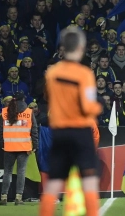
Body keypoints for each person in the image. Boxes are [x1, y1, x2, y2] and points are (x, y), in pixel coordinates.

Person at [40, 27, 102, 216]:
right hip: (80, 131)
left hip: (59, 132)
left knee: (54, 182)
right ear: (81, 47)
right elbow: (88, 106)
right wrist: (98, 108)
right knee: (89, 180)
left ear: (63, 48)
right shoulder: (85, 74)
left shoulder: (51, 74)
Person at [0, 91, 38, 206]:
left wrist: (2, 143)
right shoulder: (29, 112)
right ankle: (18, 198)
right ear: (24, 99)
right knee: (21, 172)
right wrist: (35, 145)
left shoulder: (5, 111)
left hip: (9, 146)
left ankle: (3, 197)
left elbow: (0, 129)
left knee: (7, 172)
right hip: (24, 146)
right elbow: (34, 131)